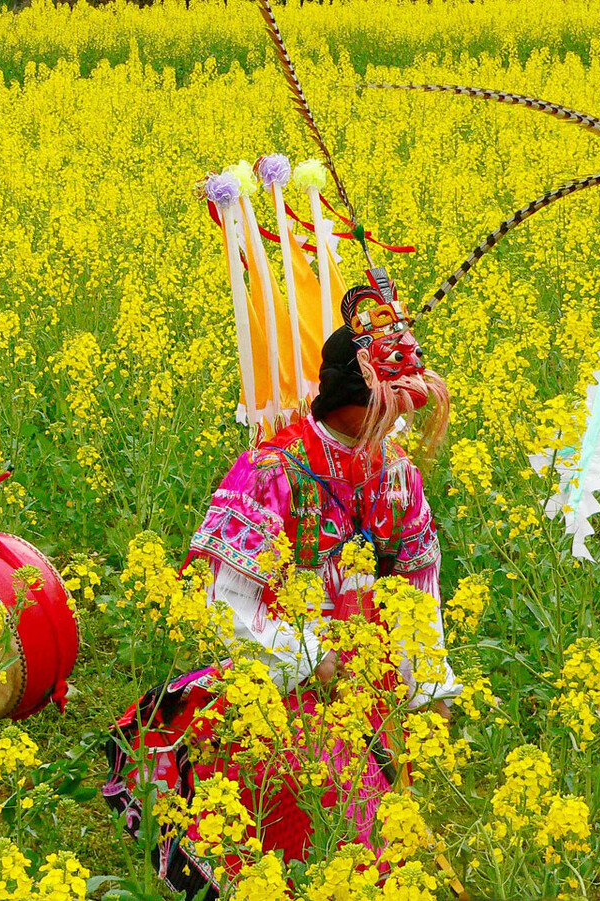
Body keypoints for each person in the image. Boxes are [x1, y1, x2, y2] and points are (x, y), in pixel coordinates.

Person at [104, 270, 462, 900]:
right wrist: (309, 659)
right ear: (350, 398)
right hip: (282, 684)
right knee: (325, 842)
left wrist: (427, 681)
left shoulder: (397, 471)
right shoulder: (272, 469)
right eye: (391, 406)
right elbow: (223, 600)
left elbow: (417, 583)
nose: (402, 424)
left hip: (364, 683)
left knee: (384, 846)